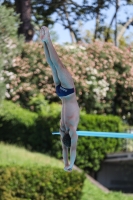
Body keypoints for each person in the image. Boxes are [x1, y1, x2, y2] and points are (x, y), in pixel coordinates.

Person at [40, 26, 80, 172]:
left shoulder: (71, 129)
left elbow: (72, 149)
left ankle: (47, 39)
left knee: (58, 64)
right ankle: (44, 43)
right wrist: (66, 164)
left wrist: (71, 164)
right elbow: (65, 150)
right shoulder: (63, 129)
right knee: (52, 66)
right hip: (61, 94)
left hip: (69, 92)